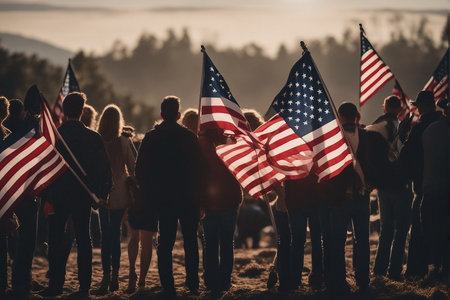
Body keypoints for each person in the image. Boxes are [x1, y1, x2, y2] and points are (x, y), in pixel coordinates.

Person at [40, 92, 112, 299]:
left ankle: (55, 285)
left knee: (55, 239)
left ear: (64, 110)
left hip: (58, 196)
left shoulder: (55, 136)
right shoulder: (92, 137)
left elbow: (45, 169)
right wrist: (102, 194)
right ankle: (84, 286)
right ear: (82, 111)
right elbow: (104, 170)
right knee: (83, 239)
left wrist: (46, 195)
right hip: (82, 196)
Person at [135, 96, 204, 297]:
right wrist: (199, 197)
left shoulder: (151, 137)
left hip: (162, 199)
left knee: (165, 243)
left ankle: (168, 285)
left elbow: (140, 171)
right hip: (188, 198)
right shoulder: (189, 137)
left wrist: (150, 193)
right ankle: (192, 283)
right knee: (191, 241)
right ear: (179, 115)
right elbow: (199, 169)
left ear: (161, 114)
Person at [330, 102, 387, 294]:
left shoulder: (335, 138)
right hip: (358, 196)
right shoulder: (369, 137)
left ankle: (340, 281)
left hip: (343, 198)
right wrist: (372, 183)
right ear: (357, 116)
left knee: (340, 241)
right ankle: (362, 279)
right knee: (361, 240)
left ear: (340, 116)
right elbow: (380, 164)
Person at [397, 90, 445, 279]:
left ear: (422, 106)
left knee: (418, 232)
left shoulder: (420, 128)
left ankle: (416, 271)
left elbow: (407, 158)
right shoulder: (443, 125)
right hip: (444, 187)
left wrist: (402, 138)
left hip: (424, 188)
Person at [367, 96, 413, 281]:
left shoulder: (375, 127)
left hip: (383, 185)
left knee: (386, 228)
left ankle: (379, 270)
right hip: (400, 184)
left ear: (384, 107)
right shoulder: (400, 127)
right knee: (401, 229)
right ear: (400, 108)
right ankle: (394, 271)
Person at [92, 104, 135, 295]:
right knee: (115, 235)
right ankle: (115, 276)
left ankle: (106, 276)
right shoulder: (124, 142)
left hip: (101, 193)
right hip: (119, 194)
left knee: (105, 235)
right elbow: (133, 169)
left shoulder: (97, 141)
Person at [198, 128, 242, 294]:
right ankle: (224, 280)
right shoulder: (231, 139)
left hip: (210, 201)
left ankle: (210, 280)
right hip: (228, 199)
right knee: (226, 243)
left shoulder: (201, 141)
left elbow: (198, 172)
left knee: (210, 243)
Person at [420, 106, 449, 283]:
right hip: (444, 189)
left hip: (431, 188)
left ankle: (433, 268)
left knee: (431, 231)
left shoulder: (431, 130)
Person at [284, 174, 323, 290]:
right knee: (305, 241)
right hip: (301, 200)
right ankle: (305, 278)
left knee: (302, 241)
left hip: (306, 199)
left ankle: (301, 278)